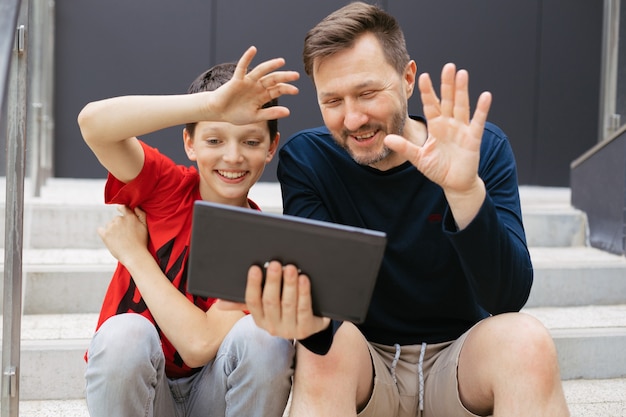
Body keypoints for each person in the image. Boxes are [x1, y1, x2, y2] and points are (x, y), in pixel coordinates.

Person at [223, 3, 571, 417]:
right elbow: (323, 303)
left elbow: (508, 296)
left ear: (406, 79)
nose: (352, 118)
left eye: (368, 93)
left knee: (527, 340)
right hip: (366, 366)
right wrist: (302, 320)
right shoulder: (309, 160)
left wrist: (463, 192)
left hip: (460, 364)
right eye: (332, 100)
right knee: (321, 353)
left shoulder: (479, 150)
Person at [77, 46, 299, 417]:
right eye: (214, 140)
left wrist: (135, 256)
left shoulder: (263, 244)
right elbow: (93, 124)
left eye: (250, 141)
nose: (232, 157)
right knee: (124, 334)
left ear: (271, 148)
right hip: (142, 390)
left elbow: (198, 344)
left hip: (214, 395)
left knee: (266, 337)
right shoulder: (166, 188)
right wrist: (210, 106)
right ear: (189, 143)